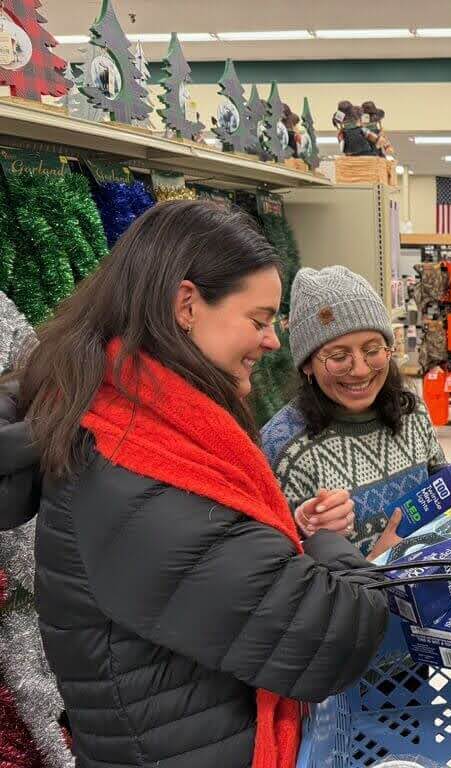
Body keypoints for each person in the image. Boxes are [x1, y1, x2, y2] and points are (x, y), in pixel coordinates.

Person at [1, 200, 390, 768]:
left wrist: (290, 537)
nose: (274, 342)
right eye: (258, 321)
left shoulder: (125, 419)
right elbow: (331, 633)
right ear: (187, 304)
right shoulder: (137, 468)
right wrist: (329, 550)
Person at [261, 266, 451, 563]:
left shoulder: (412, 412)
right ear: (307, 364)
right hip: (360, 605)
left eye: (373, 350)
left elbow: (440, 487)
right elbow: (284, 578)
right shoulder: (282, 447)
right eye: (339, 357)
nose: (360, 369)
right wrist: (371, 560)